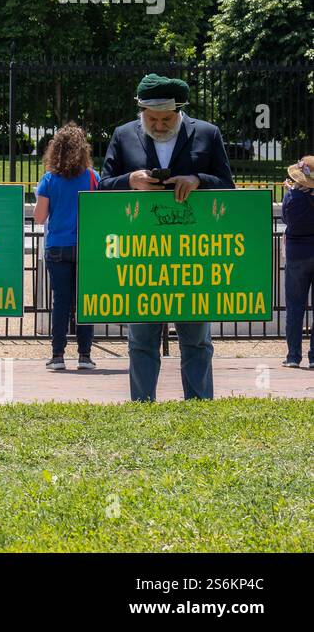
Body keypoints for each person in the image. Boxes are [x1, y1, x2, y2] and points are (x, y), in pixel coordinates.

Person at [99, 74, 234, 402]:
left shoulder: (206, 133)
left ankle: (199, 405)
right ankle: (142, 405)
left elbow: (228, 187)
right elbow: (102, 186)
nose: (158, 125)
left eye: (166, 119)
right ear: (141, 111)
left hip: (191, 254)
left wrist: (198, 179)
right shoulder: (122, 135)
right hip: (142, 253)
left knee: (196, 337)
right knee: (141, 337)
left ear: (180, 111)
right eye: (151, 119)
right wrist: (129, 180)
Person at [33, 123, 98, 372]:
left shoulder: (49, 179)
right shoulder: (93, 177)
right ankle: (85, 355)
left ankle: (58, 355)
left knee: (60, 302)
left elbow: (39, 217)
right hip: (85, 246)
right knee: (84, 302)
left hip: (57, 246)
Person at [281, 156, 314, 368]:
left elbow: (286, 219)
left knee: (294, 306)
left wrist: (290, 192)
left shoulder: (292, 198)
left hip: (297, 255)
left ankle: (293, 356)